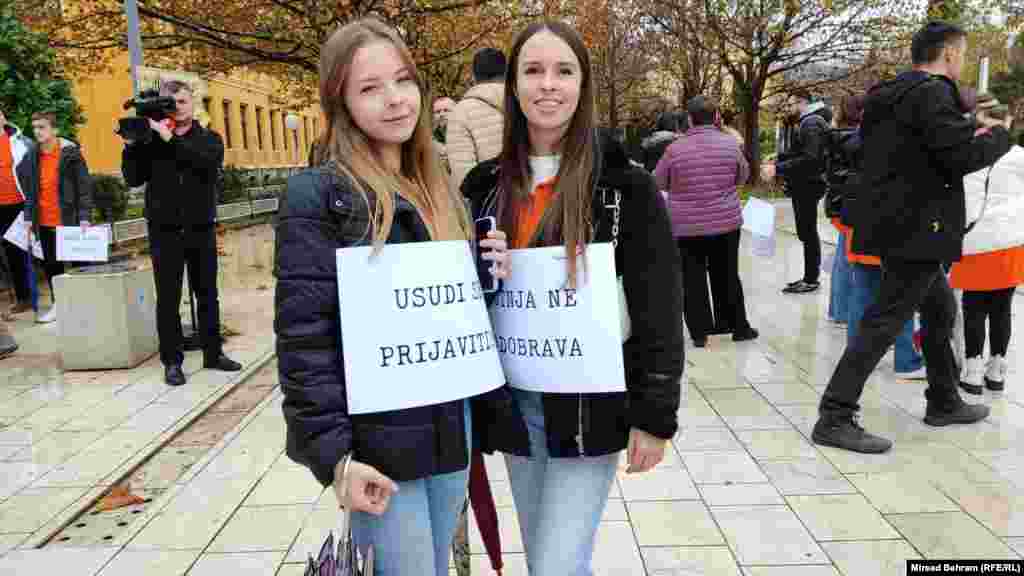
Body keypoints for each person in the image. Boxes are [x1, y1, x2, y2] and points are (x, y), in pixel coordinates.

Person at [274, 18, 513, 576]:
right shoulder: (319, 194)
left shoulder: (440, 186)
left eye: (403, 80)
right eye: (369, 87)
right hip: (381, 447)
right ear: (340, 100)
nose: (394, 100)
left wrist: (485, 273)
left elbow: (447, 312)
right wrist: (335, 460)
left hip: (452, 427)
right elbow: (304, 341)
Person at [460, 21, 684, 576]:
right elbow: (464, 298)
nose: (548, 85)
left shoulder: (626, 187)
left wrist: (656, 414)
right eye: (532, 70)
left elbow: (659, 303)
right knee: (545, 558)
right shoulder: (483, 187)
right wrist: (484, 268)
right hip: (516, 402)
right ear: (513, 85)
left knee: (558, 563)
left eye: (564, 70)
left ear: (583, 85)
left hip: (590, 407)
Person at [812, 21, 1013, 454]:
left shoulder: (889, 95)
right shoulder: (931, 94)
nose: (960, 62)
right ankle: (835, 414)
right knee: (885, 320)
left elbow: (904, 149)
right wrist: (999, 133)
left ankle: (943, 399)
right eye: (960, 54)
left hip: (893, 223)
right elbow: (959, 155)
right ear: (949, 55)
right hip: (919, 229)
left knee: (938, 310)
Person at [121, 80, 241, 386]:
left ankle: (213, 354)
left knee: (207, 294)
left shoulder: (209, 138)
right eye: (171, 102)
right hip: (164, 230)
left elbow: (204, 164)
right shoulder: (152, 141)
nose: (177, 107)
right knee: (168, 299)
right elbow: (133, 179)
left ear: (194, 103)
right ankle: (172, 362)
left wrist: (170, 138)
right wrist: (132, 146)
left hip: (200, 227)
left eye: (182, 102)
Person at [655, 95, 756, 348]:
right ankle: (736, 326)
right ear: (717, 116)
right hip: (726, 223)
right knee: (728, 274)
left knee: (692, 277)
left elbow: (659, 182)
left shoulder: (674, 149)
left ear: (689, 118)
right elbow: (742, 176)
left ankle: (700, 333)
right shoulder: (730, 144)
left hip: (686, 227)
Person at [950, 95, 1024, 394]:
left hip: (974, 240)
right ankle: (997, 368)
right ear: (1006, 121)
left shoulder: (968, 153)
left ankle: (972, 369)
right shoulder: (1020, 155)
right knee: (1002, 307)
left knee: (974, 307)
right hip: (1010, 241)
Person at [18, 112, 94, 324]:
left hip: (69, 220)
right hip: (44, 221)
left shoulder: (70, 153)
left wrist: (84, 215)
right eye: (34, 128)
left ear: (55, 130)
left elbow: (84, 186)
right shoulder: (32, 154)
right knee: (53, 267)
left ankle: (87, 304)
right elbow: (25, 180)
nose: (37, 132)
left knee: (80, 266)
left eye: (42, 127)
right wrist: (29, 214)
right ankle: (58, 305)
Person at [775, 91, 830, 294]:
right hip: (806, 184)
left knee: (807, 232)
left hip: (808, 185)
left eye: (790, 105)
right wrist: (781, 158)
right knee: (806, 232)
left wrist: (779, 168)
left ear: (802, 103)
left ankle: (810, 279)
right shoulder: (810, 121)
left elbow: (811, 158)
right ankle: (809, 277)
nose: (789, 109)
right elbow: (805, 153)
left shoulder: (811, 123)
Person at [447, 48, 507, 196]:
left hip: (490, 208)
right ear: (506, 72)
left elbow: (464, 180)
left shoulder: (460, 113)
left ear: (474, 76)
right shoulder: (527, 104)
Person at [0, 107, 32, 318]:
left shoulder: (20, 142)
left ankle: (25, 298)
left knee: (18, 251)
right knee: (7, 256)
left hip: (17, 204)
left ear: (3, 117)